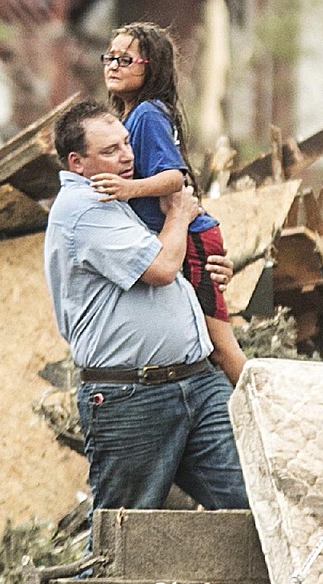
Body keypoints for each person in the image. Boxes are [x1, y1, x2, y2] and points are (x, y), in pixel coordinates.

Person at [44, 99, 249, 513]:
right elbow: (159, 267)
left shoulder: (123, 199)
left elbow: (173, 263)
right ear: (77, 162)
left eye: (126, 143)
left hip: (196, 381)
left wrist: (210, 270)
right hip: (131, 395)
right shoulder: (83, 209)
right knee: (123, 532)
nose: (126, 157)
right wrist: (178, 212)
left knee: (249, 503)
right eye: (110, 151)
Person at [91, 21, 248, 386]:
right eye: (109, 57)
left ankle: (271, 417)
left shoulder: (147, 115)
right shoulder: (132, 117)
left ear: (151, 66)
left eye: (125, 59)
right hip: (175, 236)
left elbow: (174, 178)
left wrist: (126, 190)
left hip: (191, 236)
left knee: (220, 344)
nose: (113, 65)